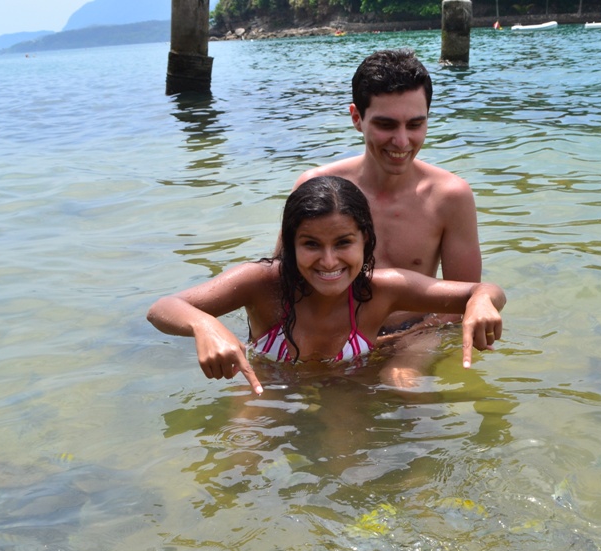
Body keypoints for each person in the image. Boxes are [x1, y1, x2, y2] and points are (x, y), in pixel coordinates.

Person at [147, 176, 505, 395]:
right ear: (290, 244)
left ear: (366, 241)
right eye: (311, 244)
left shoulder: (384, 289)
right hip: (271, 387)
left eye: (343, 243)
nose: (329, 261)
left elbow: (484, 290)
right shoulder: (262, 283)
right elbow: (162, 309)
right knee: (242, 455)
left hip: (348, 389)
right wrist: (204, 325)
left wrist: (481, 302)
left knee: (363, 455)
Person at [293, 49, 481, 334]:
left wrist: (404, 344)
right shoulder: (316, 186)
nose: (402, 141)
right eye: (386, 124)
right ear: (357, 118)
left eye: (415, 124)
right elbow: (281, 284)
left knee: (409, 365)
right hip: (332, 335)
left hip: (413, 334)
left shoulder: (449, 197)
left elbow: (462, 304)